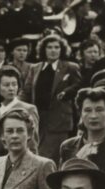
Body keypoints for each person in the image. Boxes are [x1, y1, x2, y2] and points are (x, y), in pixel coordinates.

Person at [22, 34, 82, 162]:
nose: (53, 50)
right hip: (38, 120)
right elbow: (26, 91)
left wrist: (67, 92)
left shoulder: (70, 67)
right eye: (49, 47)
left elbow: (79, 86)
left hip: (59, 121)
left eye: (57, 47)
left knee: (53, 158)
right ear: (44, 49)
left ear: (62, 50)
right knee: (37, 155)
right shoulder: (35, 68)